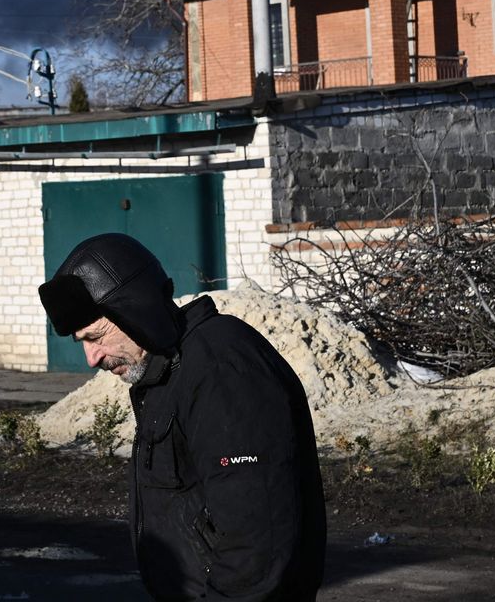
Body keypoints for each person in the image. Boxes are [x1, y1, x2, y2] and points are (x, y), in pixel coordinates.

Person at [39, 232, 325, 601]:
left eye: (96, 336)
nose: (91, 358)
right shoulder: (169, 371)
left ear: (133, 309)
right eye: (83, 342)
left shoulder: (220, 367)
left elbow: (256, 539)